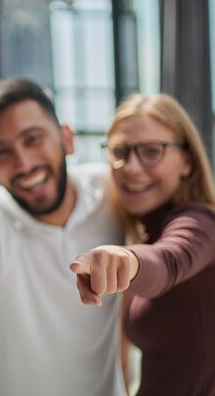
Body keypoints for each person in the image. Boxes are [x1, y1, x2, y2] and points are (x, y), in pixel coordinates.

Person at [0, 77, 127, 396]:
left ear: (66, 139)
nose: (24, 163)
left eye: (33, 139)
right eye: (3, 152)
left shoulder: (112, 192)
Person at [70, 94, 215, 396]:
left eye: (151, 151)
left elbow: (168, 261)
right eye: (119, 152)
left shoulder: (201, 223)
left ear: (187, 162)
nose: (131, 167)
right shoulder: (149, 232)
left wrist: (125, 259)